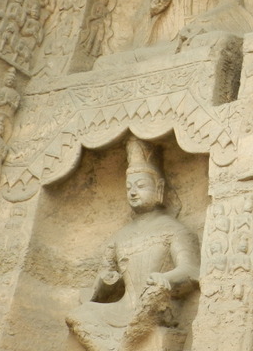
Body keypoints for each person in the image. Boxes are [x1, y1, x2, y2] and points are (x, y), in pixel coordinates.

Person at [66, 137, 200, 351]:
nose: (133, 192)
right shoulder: (120, 236)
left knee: (153, 296)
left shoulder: (173, 229)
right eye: (129, 187)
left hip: (155, 304)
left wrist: (165, 277)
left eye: (140, 185)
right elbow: (103, 283)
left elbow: (191, 269)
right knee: (79, 315)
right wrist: (107, 280)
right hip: (124, 306)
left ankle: (122, 344)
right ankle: (116, 346)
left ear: (159, 188)